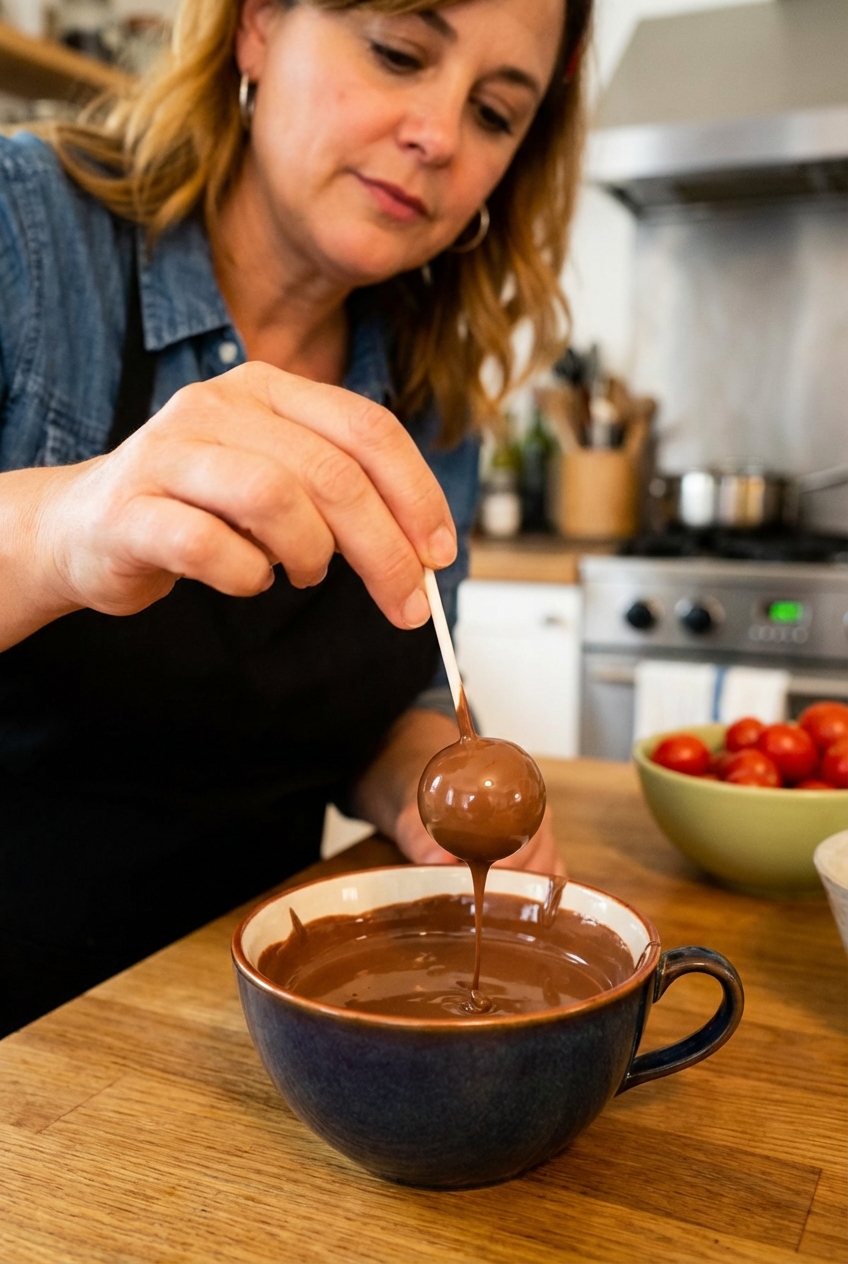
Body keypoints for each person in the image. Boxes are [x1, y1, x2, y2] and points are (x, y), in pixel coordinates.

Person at [0, 0, 592, 1034]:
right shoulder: (27, 237)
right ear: (257, 26)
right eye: (399, 52)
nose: (440, 136)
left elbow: (388, 691)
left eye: (495, 114)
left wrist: (419, 783)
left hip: (250, 1031)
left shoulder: (431, 390)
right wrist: (65, 524)